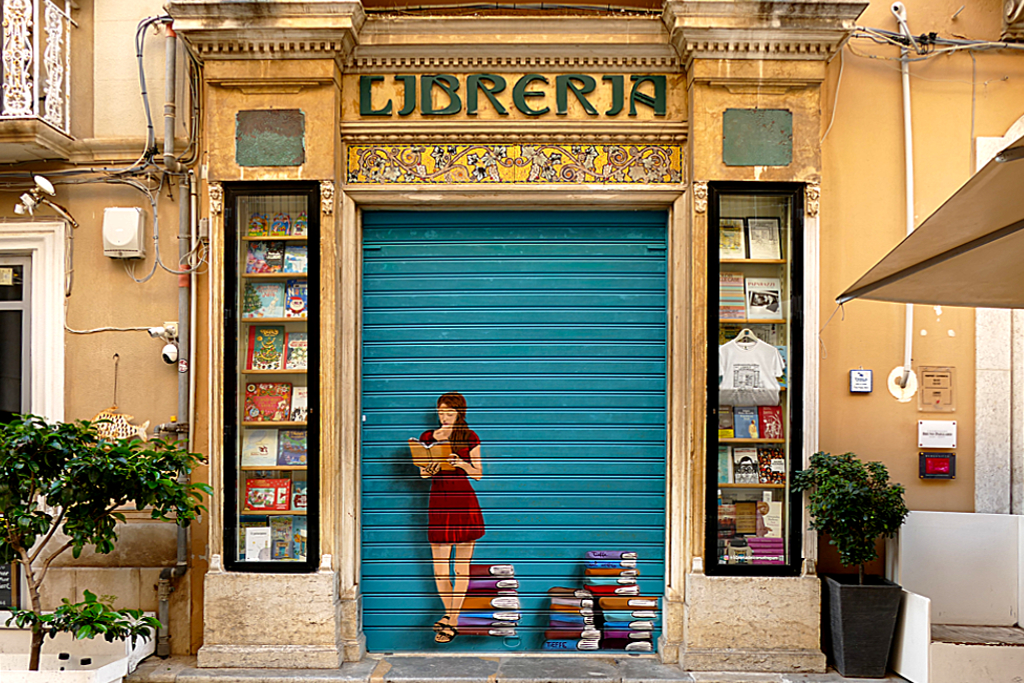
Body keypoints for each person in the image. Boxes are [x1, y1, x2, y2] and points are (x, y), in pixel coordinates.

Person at [417, 391, 484, 644]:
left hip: (463, 501)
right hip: (439, 501)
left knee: (460, 567)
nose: (444, 417)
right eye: (441, 411)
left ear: (460, 413)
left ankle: (451, 621)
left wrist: (461, 464)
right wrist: (428, 468)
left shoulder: (469, 437)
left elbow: (478, 474)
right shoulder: (427, 438)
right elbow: (424, 475)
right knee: (441, 569)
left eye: (449, 412)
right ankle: (452, 616)